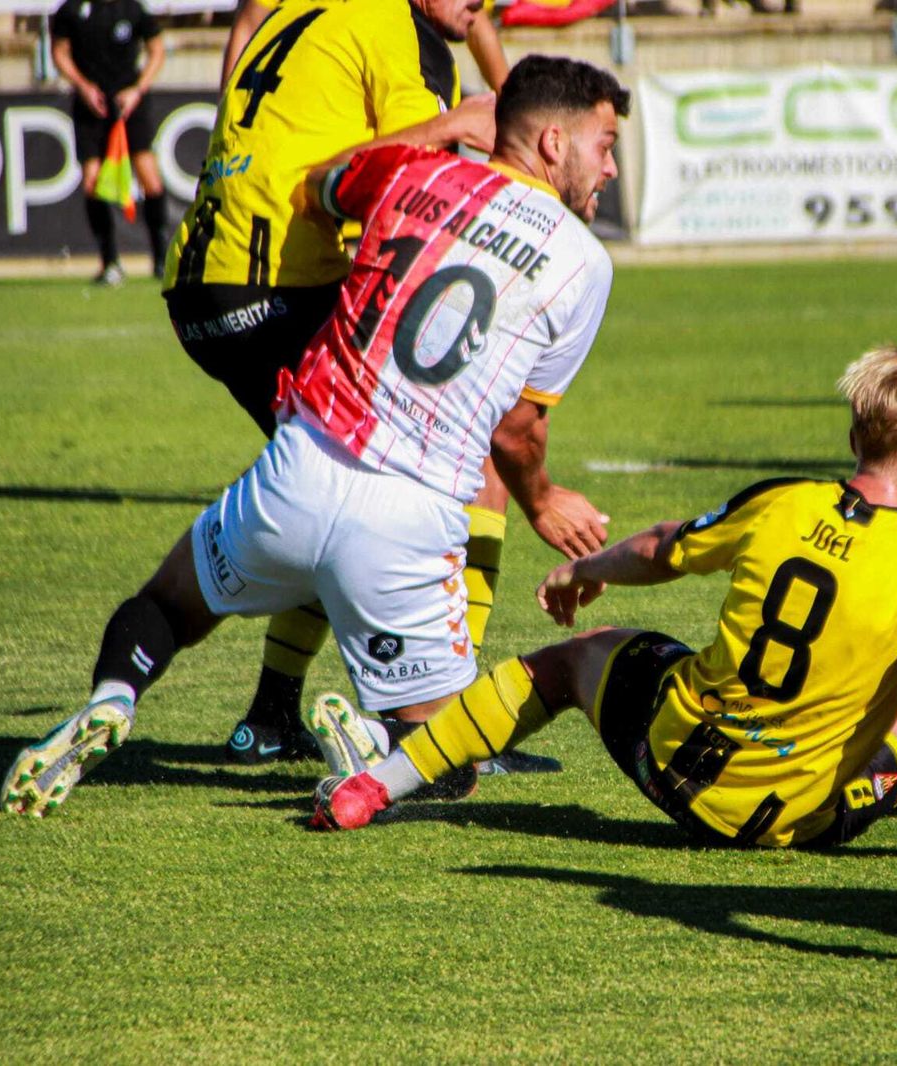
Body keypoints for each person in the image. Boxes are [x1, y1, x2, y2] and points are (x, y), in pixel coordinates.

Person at [0, 54, 630, 820]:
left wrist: (442, 128)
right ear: (555, 143)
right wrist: (543, 499)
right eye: (605, 145)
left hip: (297, 469)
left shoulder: (408, 175)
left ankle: (114, 697)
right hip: (410, 515)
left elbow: (324, 183)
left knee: (163, 608)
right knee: (448, 761)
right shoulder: (583, 264)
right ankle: (369, 739)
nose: (612, 168)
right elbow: (521, 431)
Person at [311, 346, 897, 859]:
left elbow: (663, 546)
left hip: (666, 761)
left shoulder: (782, 501)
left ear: (856, 440)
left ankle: (377, 786)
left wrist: (583, 568)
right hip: (790, 823)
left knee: (572, 660)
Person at [166, 0, 608, 769]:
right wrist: (452, 125)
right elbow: (424, 176)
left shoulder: (314, 11)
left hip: (212, 267)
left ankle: (272, 712)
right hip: (283, 270)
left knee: (332, 479)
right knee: (458, 465)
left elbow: (245, 22)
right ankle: (448, 729)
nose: (479, 9)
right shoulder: (404, 38)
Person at [50, 0, 169, 285]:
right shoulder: (72, 9)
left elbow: (157, 50)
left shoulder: (132, 9)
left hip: (129, 103)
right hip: (91, 106)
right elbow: (60, 52)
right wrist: (83, 86)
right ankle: (110, 262)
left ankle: (161, 259)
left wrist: (137, 90)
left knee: (149, 177)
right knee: (92, 181)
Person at [220, 0, 511, 93]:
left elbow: (475, 19)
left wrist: (512, 101)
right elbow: (248, 24)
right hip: (310, 90)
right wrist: (225, 118)